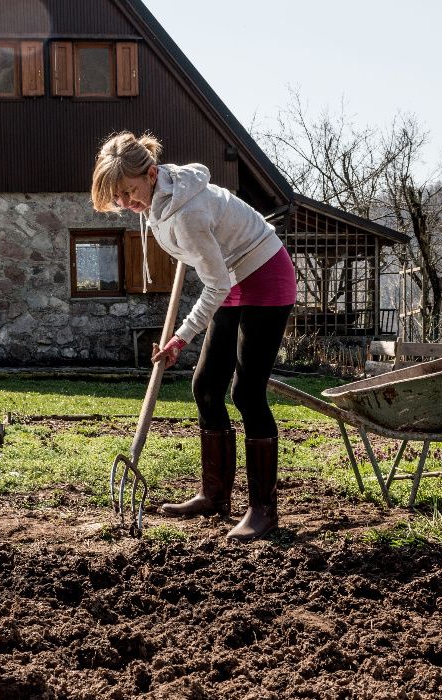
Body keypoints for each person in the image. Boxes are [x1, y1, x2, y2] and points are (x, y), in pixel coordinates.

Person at [91, 131, 296, 541]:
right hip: (234, 279)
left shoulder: (186, 211)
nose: (127, 204)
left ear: (151, 174)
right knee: (205, 386)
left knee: (246, 392)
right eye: (119, 199)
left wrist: (181, 337)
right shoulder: (161, 197)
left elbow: (215, 285)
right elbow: (215, 273)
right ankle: (215, 495)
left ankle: (263, 511)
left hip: (266, 276)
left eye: (129, 193)